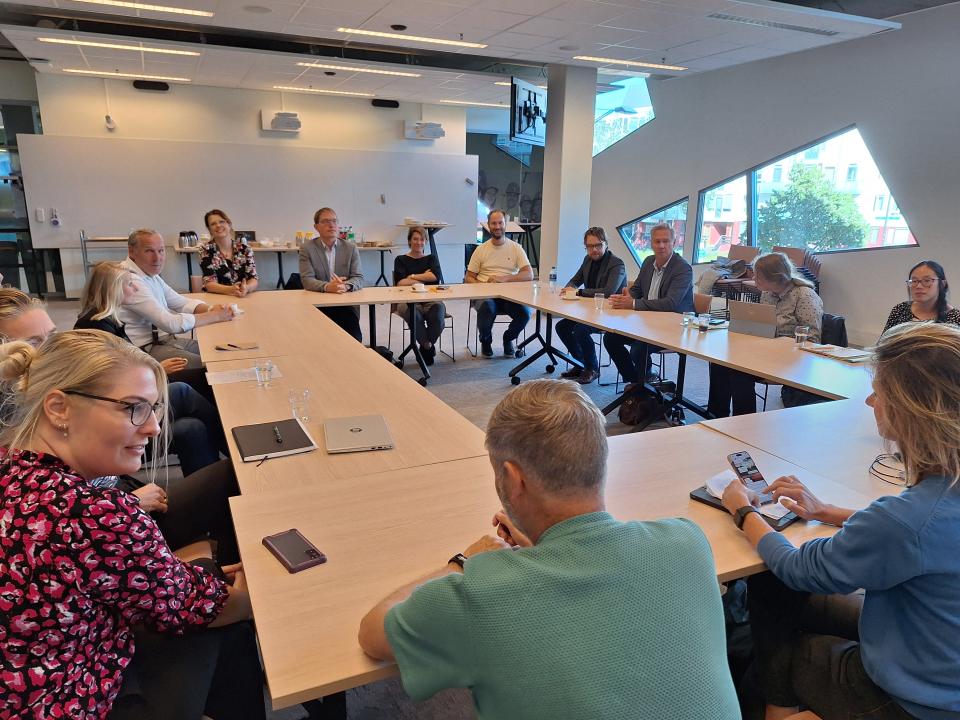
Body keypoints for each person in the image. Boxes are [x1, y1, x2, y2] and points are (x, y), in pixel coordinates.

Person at [358, 380, 741, 719]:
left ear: (512, 478)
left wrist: (463, 563)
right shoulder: (689, 542)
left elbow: (373, 633)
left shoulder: (480, 596)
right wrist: (544, 549)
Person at [0, 330, 263, 719]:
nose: (154, 428)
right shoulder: (94, 512)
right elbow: (188, 609)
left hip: (25, 678)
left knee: (206, 578)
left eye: (153, 409)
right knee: (231, 619)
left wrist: (191, 581)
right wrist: (255, 589)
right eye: (133, 408)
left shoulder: (12, 463)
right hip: (69, 697)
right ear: (59, 408)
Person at [721, 322, 960, 720]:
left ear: (911, 407)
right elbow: (919, 535)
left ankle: (773, 709)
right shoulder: (933, 502)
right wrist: (826, 512)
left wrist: (742, 510)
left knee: (773, 619)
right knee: (785, 604)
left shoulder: (907, 519)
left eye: (879, 391)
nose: (869, 402)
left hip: (914, 703)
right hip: (941, 662)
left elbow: (800, 568)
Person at [0, 286, 239, 559]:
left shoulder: (52, 394)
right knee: (226, 472)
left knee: (192, 430)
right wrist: (130, 502)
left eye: (52, 336)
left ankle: (220, 551)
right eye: (33, 342)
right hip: (114, 515)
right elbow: (63, 509)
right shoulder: (16, 422)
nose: (52, 350)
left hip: (117, 496)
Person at [73, 265, 228, 475]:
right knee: (182, 391)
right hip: (119, 414)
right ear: (113, 289)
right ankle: (232, 447)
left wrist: (155, 370)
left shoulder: (107, 320)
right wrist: (157, 372)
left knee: (192, 426)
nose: (135, 290)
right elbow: (108, 382)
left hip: (128, 406)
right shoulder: (95, 326)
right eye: (129, 285)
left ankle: (218, 480)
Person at [707, 252, 823, 417]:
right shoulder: (767, 293)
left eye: (758, 278)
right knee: (721, 362)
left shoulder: (805, 296)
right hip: (766, 350)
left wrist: (777, 342)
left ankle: (744, 422)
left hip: (791, 359)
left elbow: (811, 338)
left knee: (739, 371)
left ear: (775, 278)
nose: (754, 281)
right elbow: (764, 324)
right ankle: (716, 416)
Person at [119, 228, 235, 368]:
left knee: (222, 354)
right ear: (131, 251)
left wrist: (210, 309)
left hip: (165, 341)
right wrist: (215, 316)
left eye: (161, 250)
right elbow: (170, 324)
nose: (157, 258)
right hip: (145, 350)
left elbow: (180, 302)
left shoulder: (147, 273)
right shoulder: (130, 279)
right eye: (149, 251)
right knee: (211, 365)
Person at [603, 223, 694, 384]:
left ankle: (643, 384)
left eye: (666, 241)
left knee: (639, 349)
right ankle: (637, 382)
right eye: (657, 241)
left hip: (673, 327)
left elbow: (670, 304)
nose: (661, 246)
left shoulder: (683, 268)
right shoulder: (648, 262)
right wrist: (627, 297)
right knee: (610, 339)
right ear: (651, 243)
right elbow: (637, 289)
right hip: (646, 323)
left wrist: (633, 304)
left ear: (674, 243)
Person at [556, 227, 627, 384]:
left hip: (610, 313)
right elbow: (575, 280)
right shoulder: (587, 260)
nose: (594, 250)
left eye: (598, 245)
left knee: (580, 330)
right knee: (561, 327)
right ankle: (580, 363)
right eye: (590, 246)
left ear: (606, 244)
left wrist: (579, 293)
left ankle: (592, 368)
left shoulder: (617, 264)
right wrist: (569, 288)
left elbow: (608, 292)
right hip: (590, 311)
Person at [465, 209, 533, 358]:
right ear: (488, 226)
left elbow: (529, 274)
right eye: (493, 223)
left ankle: (508, 339)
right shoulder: (481, 249)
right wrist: (482, 286)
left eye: (500, 222)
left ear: (505, 224)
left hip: (509, 296)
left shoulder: (516, 248)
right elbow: (468, 277)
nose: (497, 226)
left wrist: (505, 278)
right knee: (488, 307)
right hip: (485, 295)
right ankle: (486, 341)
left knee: (525, 313)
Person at [299, 206, 364, 342]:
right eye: (326, 221)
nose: (331, 225)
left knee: (354, 340)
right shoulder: (307, 249)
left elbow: (358, 277)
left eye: (334, 221)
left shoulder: (350, 248)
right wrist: (328, 287)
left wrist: (345, 286)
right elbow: (307, 279)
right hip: (318, 303)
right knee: (319, 341)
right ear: (316, 226)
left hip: (345, 304)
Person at [393, 225, 445, 365]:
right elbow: (401, 283)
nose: (419, 242)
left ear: (426, 241)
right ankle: (428, 347)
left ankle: (424, 345)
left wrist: (413, 276)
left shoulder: (431, 258)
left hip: (430, 299)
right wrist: (425, 276)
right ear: (409, 241)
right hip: (407, 300)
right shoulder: (400, 259)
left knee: (439, 313)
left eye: (422, 239)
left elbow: (435, 277)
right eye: (415, 239)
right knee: (413, 314)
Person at [882, 259, 960, 334]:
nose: (918, 286)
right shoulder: (900, 309)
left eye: (927, 281)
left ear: (942, 284)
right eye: (914, 281)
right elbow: (883, 343)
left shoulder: (956, 317)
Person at [198, 208, 259, 296]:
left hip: (242, 297)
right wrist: (230, 289)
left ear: (229, 224)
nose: (218, 225)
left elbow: (253, 278)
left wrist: (247, 288)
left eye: (222, 221)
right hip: (216, 298)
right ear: (209, 229)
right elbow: (209, 284)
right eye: (213, 224)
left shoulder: (245, 249)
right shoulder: (205, 250)